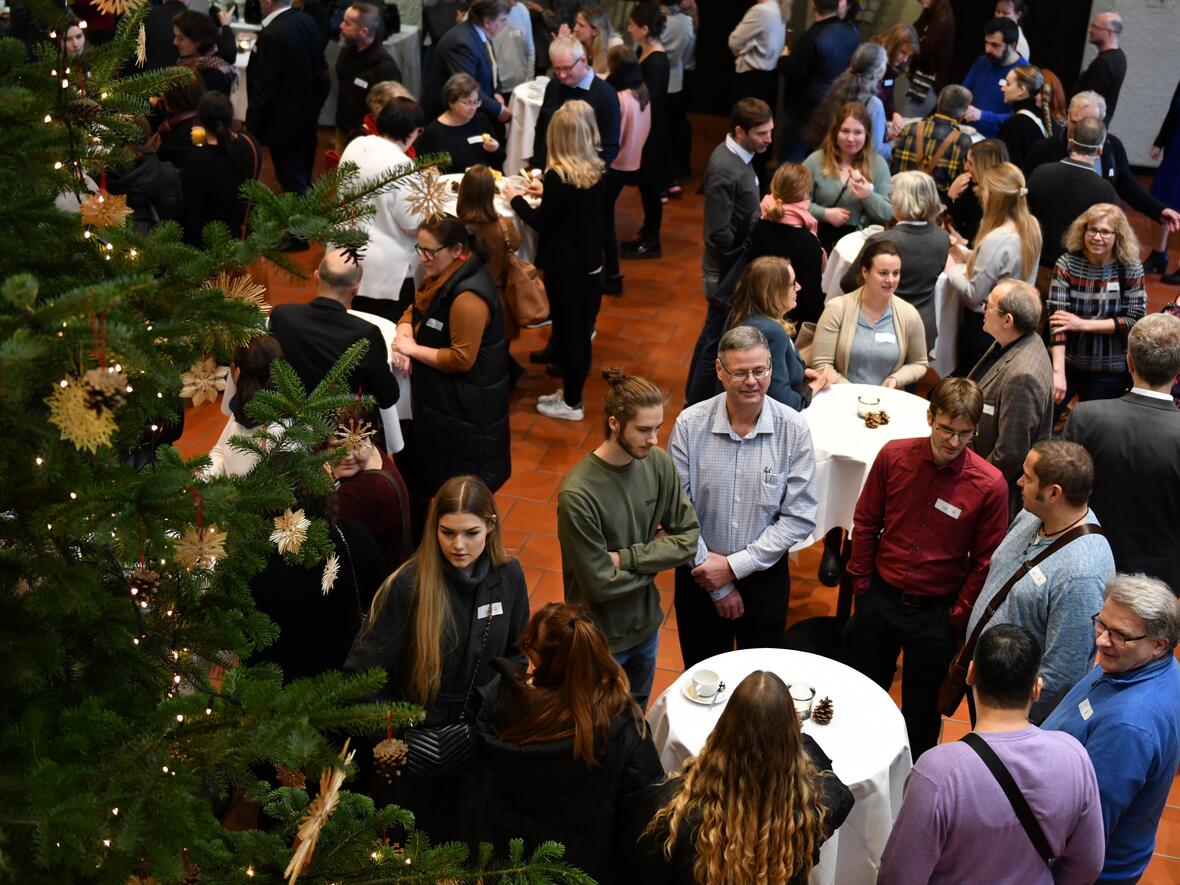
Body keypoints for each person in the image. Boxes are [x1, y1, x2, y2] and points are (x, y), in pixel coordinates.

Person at [345, 474, 530, 846]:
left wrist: (486, 717)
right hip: (414, 746)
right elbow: (363, 679)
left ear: (491, 526)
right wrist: (400, 740)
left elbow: (517, 656)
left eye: (471, 533)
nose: (458, 545)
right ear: (434, 528)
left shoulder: (509, 576)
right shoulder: (406, 585)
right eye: (447, 533)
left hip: (476, 743)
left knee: (467, 841)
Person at [847, 377, 1009, 757]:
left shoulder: (990, 485)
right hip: (880, 598)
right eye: (946, 429)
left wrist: (957, 615)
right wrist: (862, 584)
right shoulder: (893, 456)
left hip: (936, 615)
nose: (953, 441)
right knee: (861, 696)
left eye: (964, 433)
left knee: (921, 718)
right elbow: (866, 522)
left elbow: (985, 561)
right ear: (930, 417)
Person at [878, 624, 1104, 885]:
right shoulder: (1075, 757)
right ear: (1036, 688)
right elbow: (1088, 865)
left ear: (971, 674)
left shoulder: (937, 772)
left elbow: (899, 877)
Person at [477, 603, 664, 884]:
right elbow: (645, 816)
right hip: (587, 871)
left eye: (529, 646)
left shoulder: (505, 708)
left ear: (545, 662)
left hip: (514, 862)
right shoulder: (625, 731)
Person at [669, 325, 817, 668]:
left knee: (760, 682)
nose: (752, 381)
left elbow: (799, 516)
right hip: (698, 578)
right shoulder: (689, 425)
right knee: (703, 678)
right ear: (720, 370)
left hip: (764, 582)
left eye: (760, 371)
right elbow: (675, 510)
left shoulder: (793, 429)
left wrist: (733, 567)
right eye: (740, 372)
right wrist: (717, 584)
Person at [626, 670, 855, 885]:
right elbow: (842, 796)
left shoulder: (671, 810)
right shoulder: (814, 807)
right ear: (791, 740)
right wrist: (797, 743)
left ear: (723, 730)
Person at [556, 369, 700, 709]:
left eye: (657, 428)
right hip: (599, 642)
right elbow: (599, 584)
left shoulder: (659, 464)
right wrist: (657, 556)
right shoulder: (578, 494)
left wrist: (627, 559)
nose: (653, 439)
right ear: (614, 423)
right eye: (643, 429)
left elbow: (689, 538)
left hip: (647, 628)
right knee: (596, 725)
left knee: (637, 716)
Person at [1042, 574, 1180, 884]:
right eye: (1101, 625)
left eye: (1120, 635)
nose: (1102, 641)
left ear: (1159, 644)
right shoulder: (1137, 665)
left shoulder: (1128, 727)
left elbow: (1085, 830)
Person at [969, 443, 1115, 721]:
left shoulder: (1082, 574)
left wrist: (1008, 717)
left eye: (1027, 477)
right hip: (989, 689)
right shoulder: (1031, 515)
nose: (1019, 482)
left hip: (1010, 715)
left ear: (1053, 493)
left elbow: (1063, 674)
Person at [392, 216, 511, 498]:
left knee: (459, 497)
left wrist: (412, 350)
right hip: (444, 411)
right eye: (420, 249)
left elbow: (461, 359)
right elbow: (414, 310)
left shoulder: (468, 297)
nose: (423, 258)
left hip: (466, 421)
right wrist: (405, 334)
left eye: (430, 251)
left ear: (457, 249)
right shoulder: (441, 276)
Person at [1063, 313, 1180, 595]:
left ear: (1129, 362)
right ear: (1178, 371)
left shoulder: (1085, 417)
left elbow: (1063, 494)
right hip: (1158, 586)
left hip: (1084, 568)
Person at [506, 101, 606, 422]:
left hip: (566, 269)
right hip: (590, 264)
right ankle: (570, 393)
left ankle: (572, 403)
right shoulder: (595, 169)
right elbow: (573, 210)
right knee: (579, 332)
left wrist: (516, 200)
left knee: (571, 335)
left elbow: (544, 223)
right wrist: (545, 192)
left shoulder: (558, 176)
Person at [1023, 91, 1180, 243]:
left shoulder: (1113, 146)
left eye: (1088, 123)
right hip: (1049, 236)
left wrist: (1158, 210)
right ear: (1068, 116)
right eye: (1075, 122)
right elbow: (1026, 195)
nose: (1080, 129)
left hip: (1093, 240)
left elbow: (1127, 186)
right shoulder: (1044, 149)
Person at [268, 248, 400, 414]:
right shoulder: (366, 334)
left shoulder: (282, 316)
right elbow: (387, 397)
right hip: (339, 425)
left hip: (284, 417)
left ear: (316, 276)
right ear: (356, 289)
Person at [1047, 202, 1145, 416]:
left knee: (1094, 429)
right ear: (1083, 230)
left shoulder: (1130, 267)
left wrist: (1082, 324)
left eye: (1105, 232)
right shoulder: (1067, 264)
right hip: (1068, 364)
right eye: (1092, 229)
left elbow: (1134, 321)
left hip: (1109, 370)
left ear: (1118, 235)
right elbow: (1057, 322)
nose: (1097, 237)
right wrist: (1058, 373)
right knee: (1044, 417)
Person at [945, 161, 1041, 375]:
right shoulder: (1031, 225)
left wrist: (950, 267)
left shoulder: (997, 238)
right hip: (1015, 323)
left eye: (984, 189)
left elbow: (973, 295)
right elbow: (1006, 263)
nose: (980, 193)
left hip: (987, 327)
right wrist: (967, 254)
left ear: (995, 197)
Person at [967, 279, 1052, 517]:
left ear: (1007, 320)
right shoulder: (1017, 341)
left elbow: (1009, 454)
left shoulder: (1022, 377)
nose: (983, 308)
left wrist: (971, 486)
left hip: (990, 494)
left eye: (989, 305)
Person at [839, 170, 950, 350]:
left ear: (902, 200)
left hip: (882, 328)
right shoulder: (943, 238)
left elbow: (849, 283)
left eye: (892, 196)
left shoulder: (881, 241)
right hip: (922, 329)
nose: (891, 201)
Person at [337, 97, 425, 320]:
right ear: (413, 132)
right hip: (388, 268)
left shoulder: (356, 145)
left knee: (361, 324)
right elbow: (413, 224)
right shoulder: (402, 165)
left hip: (350, 254)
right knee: (388, 330)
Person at [812, 240, 928, 389]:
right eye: (883, 273)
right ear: (865, 272)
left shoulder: (909, 314)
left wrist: (896, 379)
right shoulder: (837, 309)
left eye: (896, 273)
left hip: (886, 399)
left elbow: (919, 362)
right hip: (841, 395)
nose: (891, 280)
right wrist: (856, 394)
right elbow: (822, 364)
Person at [724, 162, 826, 327]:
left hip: (749, 312)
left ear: (774, 186)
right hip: (787, 322)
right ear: (804, 195)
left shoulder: (752, 221)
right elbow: (810, 300)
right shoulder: (807, 243)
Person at [1026, 114, 1118, 291]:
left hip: (1034, 268)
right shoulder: (1105, 190)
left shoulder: (1040, 173)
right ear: (1099, 151)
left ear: (1070, 143)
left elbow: (1024, 218)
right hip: (1074, 276)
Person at [246, 0, 323, 202]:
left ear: (268, 2)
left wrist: (251, 128)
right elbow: (316, 68)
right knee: (303, 173)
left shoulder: (272, 34)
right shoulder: (307, 21)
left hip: (282, 123)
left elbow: (263, 86)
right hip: (306, 114)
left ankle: (300, 219)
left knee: (291, 180)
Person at [700, 98, 771, 299]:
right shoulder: (724, 169)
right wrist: (744, 259)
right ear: (740, 132)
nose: (769, 139)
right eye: (761, 133)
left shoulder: (743, 155)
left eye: (770, 131)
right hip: (725, 272)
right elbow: (719, 231)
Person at [803, 101, 893, 252]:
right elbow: (796, 202)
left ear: (867, 135)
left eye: (858, 132)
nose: (850, 139)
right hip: (818, 242)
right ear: (835, 133)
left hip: (860, 247)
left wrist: (868, 195)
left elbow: (887, 213)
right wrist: (825, 214)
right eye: (845, 131)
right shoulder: (815, 160)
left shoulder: (878, 164)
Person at [778, 0, 860, 164]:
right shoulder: (852, 33)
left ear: (813, 5)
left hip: (804, 111)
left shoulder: (810, 38)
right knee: (821, 162)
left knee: (791, 162)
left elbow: (794, 72)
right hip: (835, 107)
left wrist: (783, 58)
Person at [330, 416, 413, 576]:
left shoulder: (366, 492)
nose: (348, 455)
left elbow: (323, 538)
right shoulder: (375, 454)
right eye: (337, 447)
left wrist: (329, 477)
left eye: (356, 443)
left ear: (371, 438)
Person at [619, 2, 669, 260]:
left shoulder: (657, 60)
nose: (629, 29)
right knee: (647, 187)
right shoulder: (644, 50)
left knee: (651, 187)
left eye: (633, 25)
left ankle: (652, 240)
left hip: (653, 132)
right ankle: (647, 233)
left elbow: (651, 99)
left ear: (645, 29)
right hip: (647, 128)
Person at [601, 45, 651, 295]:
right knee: (605, 214)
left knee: (604, 218)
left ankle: (611, 274)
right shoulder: (642, 90)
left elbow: (614, 136)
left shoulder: (620, 98)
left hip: (616, 163)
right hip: (632, 159)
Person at [181, 91, 261, 247]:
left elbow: (191, 213)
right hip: (241, 237)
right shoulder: (250, 144)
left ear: (201, 121)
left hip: (208, 244)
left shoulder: (197, 160)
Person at [530, 35, 621, 170]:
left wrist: (586, 176)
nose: (562, 75)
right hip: (548, 172)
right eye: (557, 69)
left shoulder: (606, 95)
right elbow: (542, 129)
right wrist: (537, 167)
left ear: (583, 61)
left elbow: (609, 147)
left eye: (567, 68)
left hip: (583, 177)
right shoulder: (554, 85)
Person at [456, 164, 523, 345]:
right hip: (500, 300)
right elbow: (517, 244)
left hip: (467, 300)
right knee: (500, 348)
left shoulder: (457, 229)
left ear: (463, 192)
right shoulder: (504, 226)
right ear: (490, 193)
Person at [422, 0, 513, 123]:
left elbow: (492, 67)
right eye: (502, 20)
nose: (505, 25)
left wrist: (497, 91)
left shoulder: (479, 33)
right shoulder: (461, 44)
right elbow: (467, 89)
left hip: (475, 109)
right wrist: (499, 110)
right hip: (452, 120)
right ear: (487, 22)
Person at [208, 335, 284, 477]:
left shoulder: (279, 433)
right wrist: (203, 478)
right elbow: (219, 452)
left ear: (237, 372)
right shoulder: (242, 408)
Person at [806, 43, 892, 164]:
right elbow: (876, 151)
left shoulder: (837, 90)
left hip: (828, 160)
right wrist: (895, 144)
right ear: (879, 72)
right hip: (855, 166)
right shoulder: (874, 104)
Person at [891, 85, 974, 205]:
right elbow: (962, 185)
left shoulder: (908, 129)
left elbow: (893, 169)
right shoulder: (963, 141)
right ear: (962, 114)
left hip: (900, 203)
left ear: (938, 104)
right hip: (936, 209)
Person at [334, 2, 402, 149]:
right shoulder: (348, 48)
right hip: (343, 130)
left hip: (366, 141)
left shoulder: (385, 69)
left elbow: (391, 112)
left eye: (347, 23)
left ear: (363, 31)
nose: (341, 26)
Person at [416, 73, 505, 173]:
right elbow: (424, 170)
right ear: (451, 101)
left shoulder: (481, 120)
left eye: (476, 102)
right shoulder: (434, 133)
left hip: (485, 180)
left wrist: (495, 149)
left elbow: (500, 159)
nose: (473, 107)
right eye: (467, 102)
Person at [960, 17, 1026, 139]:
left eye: (995, 45)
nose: (988, 50)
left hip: (999, 141)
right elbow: (963, 92)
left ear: (1013, 45)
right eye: (986, 43)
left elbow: (1020, 117)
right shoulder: (982, 62)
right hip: (970, 134)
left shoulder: (1025, 73)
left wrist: (982, 115)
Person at [1145, 78, 1180, 283]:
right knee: (1159, 199)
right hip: (1176, 151)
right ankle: (1159, 254)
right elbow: (1173, 112)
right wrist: (1160, 142)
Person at [944, 137, 1007, 248]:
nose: (965, 167)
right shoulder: (969, 186)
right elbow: (952, 220)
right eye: (966, 161)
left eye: (971, 163)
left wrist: (964, 243)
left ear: (985, 166)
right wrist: (951, 196)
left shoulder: (1001, 203)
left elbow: (989, 248)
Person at [660, 1, 694, 197]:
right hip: (677, 77)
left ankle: (666, 176)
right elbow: (688, 54)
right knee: (676, 127)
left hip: (658, 78)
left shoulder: (658, 18)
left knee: (661, 130)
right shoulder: (686, 21)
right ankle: (678, 173)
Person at [726, 0, 786, 112]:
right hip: (768, 78)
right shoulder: (779, 10)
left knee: (745, 118)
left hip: (751, 78)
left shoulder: (761, 10)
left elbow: (733, 42)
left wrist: (747, 47)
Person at [1074, 11, 1125, 125]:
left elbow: (1090, 103)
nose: (1089, 30)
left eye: (1095, 27)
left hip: (1086, 126)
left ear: (1110, 32)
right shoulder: (1119, 57)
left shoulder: (1104, 63)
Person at [996, 65, 1051, 168]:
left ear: (1021, 90)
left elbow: (1005, 168)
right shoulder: (1044, 117)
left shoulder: (1014, 124)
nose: (1003, 88)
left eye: (1008, 84)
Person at [172, 9, 238, 95]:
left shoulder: (214, 76)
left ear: (198, 41)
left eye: (181, 38)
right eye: (175, 36)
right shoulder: (188, 63)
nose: (175, 42)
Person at [150, 78, 204, 171]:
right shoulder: (201, 119)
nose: (161, 94)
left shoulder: (180, 137)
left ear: (173, 97)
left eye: (164, 91)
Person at [871, 23, 918, 122]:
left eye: (909, 55)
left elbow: (888, 94)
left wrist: (894, 113)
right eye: (903, 52)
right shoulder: (872, 59)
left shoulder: (892, 69)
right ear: (892, 46)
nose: (905, 60)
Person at [911, 0, 954, 98]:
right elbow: (913, 32)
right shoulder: (931, 10)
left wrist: (919, 40)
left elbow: (923, 50)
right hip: (921, 72)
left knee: (913, 107)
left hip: (929, 78)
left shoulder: (942, 18)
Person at [573, 4, 622, 76]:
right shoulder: (574, 41)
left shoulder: (614, 46)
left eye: (581, 25)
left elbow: (611, 77)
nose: (575, 29)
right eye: (576, 23)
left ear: (595, 31)